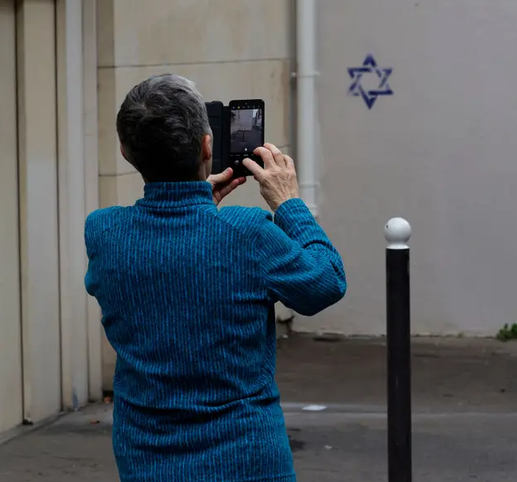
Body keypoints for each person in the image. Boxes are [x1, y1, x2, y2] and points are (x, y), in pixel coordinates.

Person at [84, 74, 346, 482]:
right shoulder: (248, 232)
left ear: (125, 151)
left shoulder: (104, 232)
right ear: (208, 146)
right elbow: (326, 281)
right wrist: (290, 204)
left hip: (146, 461)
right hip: (247, 460)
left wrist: (195, 203)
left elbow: (170, 254)